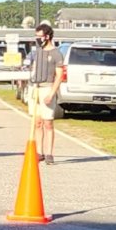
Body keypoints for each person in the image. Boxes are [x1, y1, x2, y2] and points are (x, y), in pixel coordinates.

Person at [24, 24, 66, 162]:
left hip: (47, 88)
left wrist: (51, 94)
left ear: (47, 36)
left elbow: (59, 76)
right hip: (35, 87)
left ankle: (49, 153)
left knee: (48, 122)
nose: (37, 39)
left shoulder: (56, 53)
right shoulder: (37, 52)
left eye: (40, 37)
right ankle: (39, 152)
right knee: (37, 122)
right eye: (36, 37)